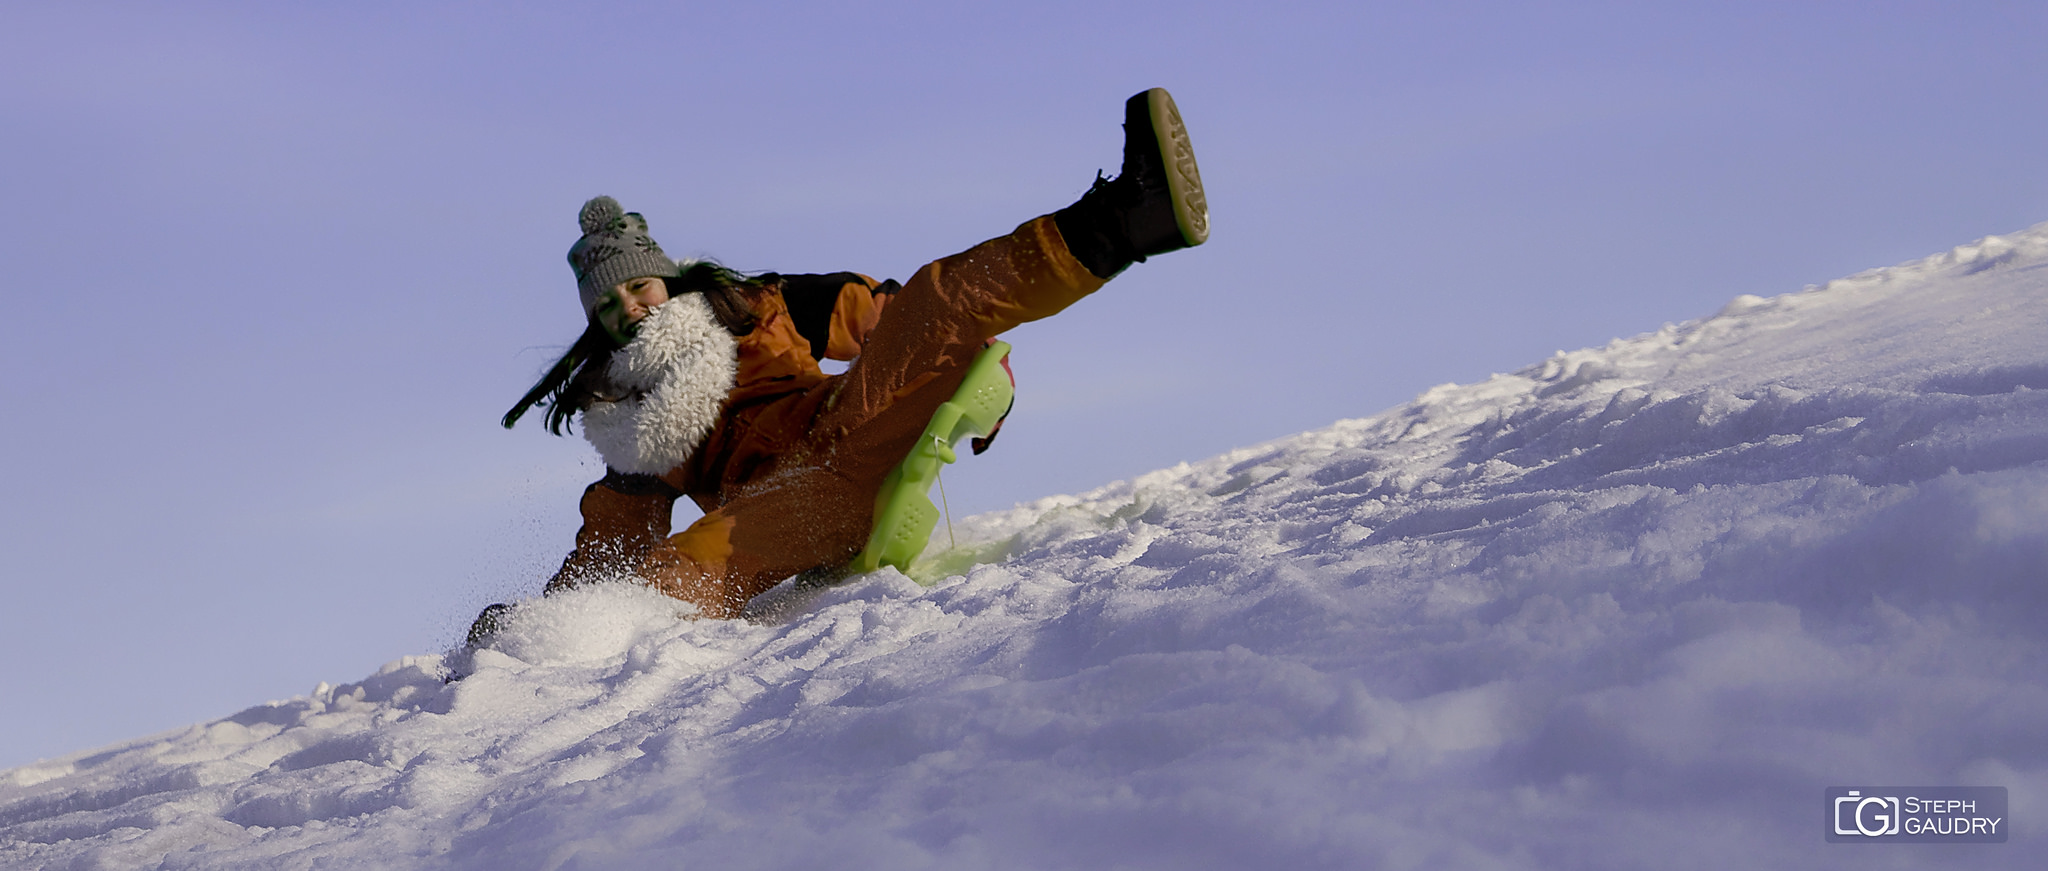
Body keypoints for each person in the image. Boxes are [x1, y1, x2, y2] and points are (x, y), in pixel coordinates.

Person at [490, 88, 1209, 625]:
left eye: (638, 288)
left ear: (667, 275)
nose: (632, 310)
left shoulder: (757, 305)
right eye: (609, 309)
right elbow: (606, 548)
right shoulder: (632, 423)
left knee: (934, 296)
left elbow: (892, 318)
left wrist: (977, 381)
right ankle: (553, 652)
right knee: (673, 567)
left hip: (853, 425)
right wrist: (540, 626)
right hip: (783, 508)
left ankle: (1129, 217)